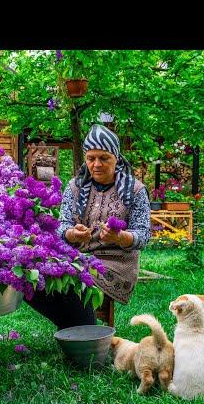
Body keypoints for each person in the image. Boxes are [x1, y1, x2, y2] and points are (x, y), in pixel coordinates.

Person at [26, 124, 151, 329]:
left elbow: (144, 235)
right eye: (91, 158)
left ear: (116, 158)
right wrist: (72, 234)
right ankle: (77, 328)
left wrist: (120, 237)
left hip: (116, 265)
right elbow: (62, 225)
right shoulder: (75, 187)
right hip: (76, 258)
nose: (97, 164)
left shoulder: (135, 190)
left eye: (104, 158)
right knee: (29, 277)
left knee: (74, 280)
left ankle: (84, 335)